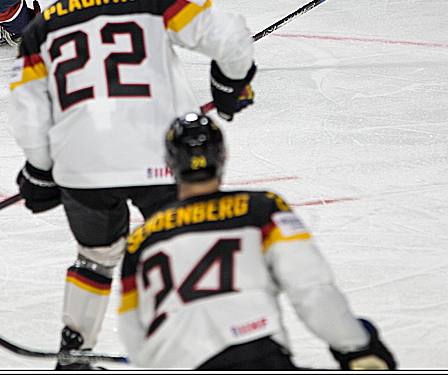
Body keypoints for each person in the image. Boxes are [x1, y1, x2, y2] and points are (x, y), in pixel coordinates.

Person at [8, 0, 258, 369]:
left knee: (96, 256)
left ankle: (75, 349)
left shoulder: (39, 30)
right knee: (185, 244)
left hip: (83, 167)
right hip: (164, 158)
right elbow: (231, 37)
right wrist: (230, 84)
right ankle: (208, 344)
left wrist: (40, 170)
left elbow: (29, 118)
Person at [117, 113, 397, 370]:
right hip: (253, 354)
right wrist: (357, 346)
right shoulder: (261, 208)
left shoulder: (140, 240)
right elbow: (312, 291)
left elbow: (134, 337)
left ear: (169, 164)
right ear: (223, 156)